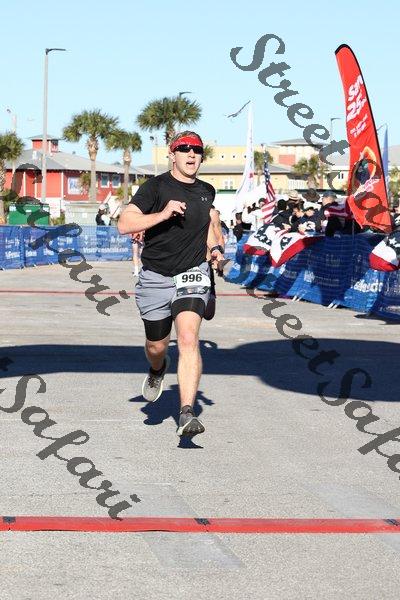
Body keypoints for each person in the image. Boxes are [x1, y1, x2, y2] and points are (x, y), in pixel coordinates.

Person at [118, 131, 223, 438]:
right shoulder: (155, 187)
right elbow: (125, 224)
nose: (191, 154)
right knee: (157, 346)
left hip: (192, 273)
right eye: (184, 149)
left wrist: (215, 248)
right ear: (172, 154)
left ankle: (187, 412)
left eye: (197, 150)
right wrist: (162, 214)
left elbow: (208, 227)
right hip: (156, 276)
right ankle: (157, 369)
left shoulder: (206, 191)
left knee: (188, 338)